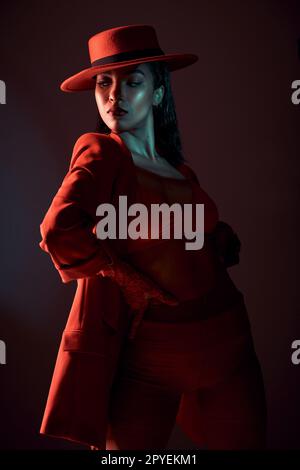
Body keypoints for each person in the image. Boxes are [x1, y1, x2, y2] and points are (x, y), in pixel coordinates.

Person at [39, 24, 267, 450]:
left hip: (227, 340)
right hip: (151, 355)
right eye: (104, 82)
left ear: (158, 94)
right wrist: (123, 276)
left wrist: (217, 238)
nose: (114, 95)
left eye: (133, 82)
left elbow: (170, 235)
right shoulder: (101, 151)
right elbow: (59, 229)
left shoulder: (180, 170)